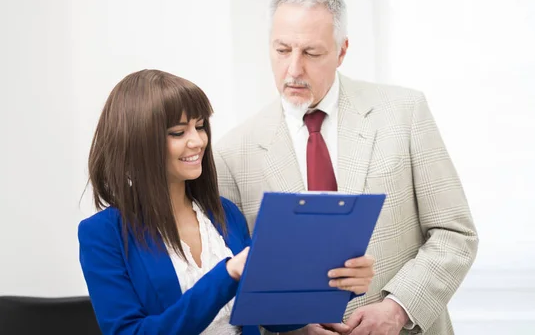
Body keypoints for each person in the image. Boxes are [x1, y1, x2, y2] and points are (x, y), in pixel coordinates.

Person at [214, 0, 479, 335]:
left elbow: (455, 233)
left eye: (311, 52)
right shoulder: (232, 153)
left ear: (342, 51)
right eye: (282, 50)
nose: (293, 69)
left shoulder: (404, 113)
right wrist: (297, 328)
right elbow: (241, 281)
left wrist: (397, 308)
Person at [77, 69, 374, 335]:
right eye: (178, 132)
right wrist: (227, 274)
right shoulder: (103, 235)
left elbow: (271, 319)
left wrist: (338, 283)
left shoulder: (224, 214)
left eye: (200, 126)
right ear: (138, 143)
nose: (198, 141)